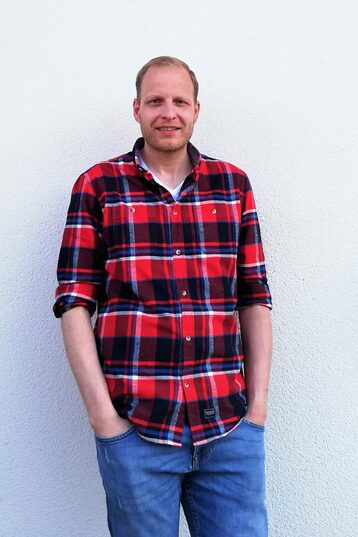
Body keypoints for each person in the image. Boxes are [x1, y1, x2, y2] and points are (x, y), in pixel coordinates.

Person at [53, 56, 273, 537]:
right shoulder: (98, 187)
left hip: (229, 429)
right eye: (155, 101)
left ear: (197, 110)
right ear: (136, 109)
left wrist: (256, 410)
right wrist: (103, 419)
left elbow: (254, 297)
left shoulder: (232, 186)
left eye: (179, 101)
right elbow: (73, 302)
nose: (167, 112)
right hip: (136, 430)